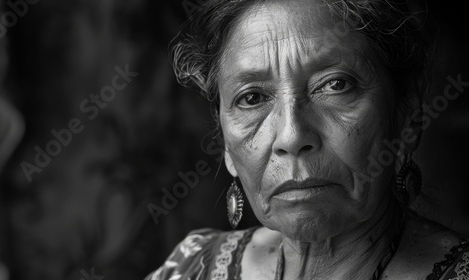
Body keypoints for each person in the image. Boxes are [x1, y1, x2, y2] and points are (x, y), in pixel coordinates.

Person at [146, 0, 469, 279]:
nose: (291, 136)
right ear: (226, 146)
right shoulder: (192, 268)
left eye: (335, 85)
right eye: (252, 97)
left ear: (405, 118)